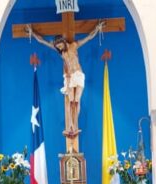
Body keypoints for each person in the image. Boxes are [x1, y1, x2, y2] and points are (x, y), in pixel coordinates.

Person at [26, 20, 105, 150]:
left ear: (63, 41)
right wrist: (32, 33)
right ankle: (70, 127)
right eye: (58, 46)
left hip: (78, 75)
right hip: (68, 77)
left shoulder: (74, 45)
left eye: (60, 44)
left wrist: (97, 28)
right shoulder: (61, 52)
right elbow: (43, 41)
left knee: (76, 101)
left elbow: (88, 38)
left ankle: (74, 124)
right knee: (69, 101)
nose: (60, 47)